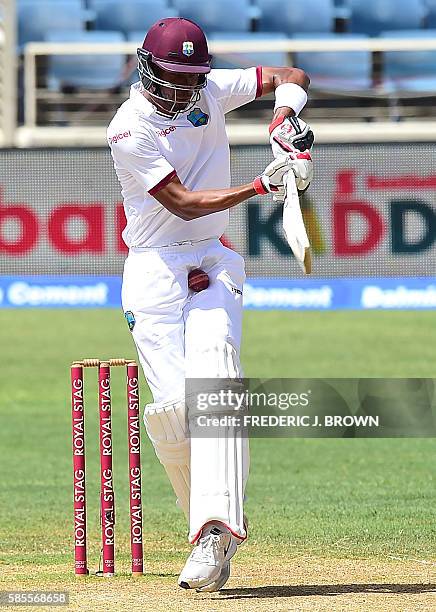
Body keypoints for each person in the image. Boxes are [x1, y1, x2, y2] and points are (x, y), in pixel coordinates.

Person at [107, 16, 313, 592]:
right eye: (176, 79)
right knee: (175, 411)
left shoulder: (210, 88)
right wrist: (260, 187)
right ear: (149, 70)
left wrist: (284, 118)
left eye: (194, 78)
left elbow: (291, 74)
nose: (186, 91)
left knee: (216, 377)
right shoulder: (129, 128)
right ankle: (202, 521)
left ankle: (215, 531)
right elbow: (183, 202)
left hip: (214, 257)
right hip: (154, 265)